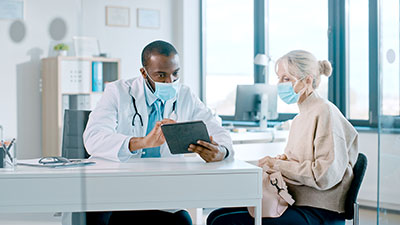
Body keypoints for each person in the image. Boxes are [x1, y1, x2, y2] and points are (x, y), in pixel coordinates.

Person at [82, 40, 233, 225]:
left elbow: (218, 130)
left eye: (175, 74)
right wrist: (143, 142)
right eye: (161, 75)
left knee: (182, 221)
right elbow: (93, 138)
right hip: (116, 190)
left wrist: (222, 151)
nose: (170, 82)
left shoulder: (185, 95)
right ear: (144, 73)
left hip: (161, 191)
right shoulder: (118, 92)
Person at [206, 50, 358, 225]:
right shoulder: (300, 118)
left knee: (222, 222)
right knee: (215, 216)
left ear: (307, 80)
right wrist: (278, 162)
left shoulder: (324, 111)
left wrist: (278, 164)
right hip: (295, 201)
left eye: (286, 79)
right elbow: (297, 160)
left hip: (319, 211)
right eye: (278, 78)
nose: (279, 84)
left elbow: (324, 175)